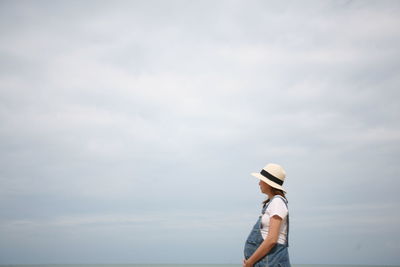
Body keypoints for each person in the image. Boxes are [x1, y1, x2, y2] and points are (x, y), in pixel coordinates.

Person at [243, 163, 291, 267]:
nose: (259, 183)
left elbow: (272, 240)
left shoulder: (277, 202)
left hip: (271, 262)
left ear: (268, 183)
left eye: (261, 180)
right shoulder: (272, 203)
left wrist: (250, 262)